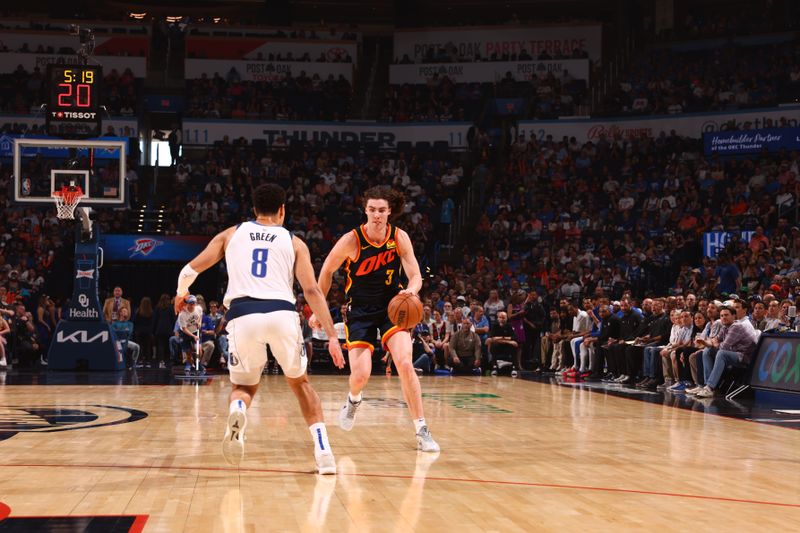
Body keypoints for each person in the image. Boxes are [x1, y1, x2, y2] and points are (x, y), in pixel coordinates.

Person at [174, 183, 344, 474]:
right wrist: (330, 335)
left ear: (253, 210)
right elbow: (313, 291)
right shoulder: (294, 241)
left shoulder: (231, 234)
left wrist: (180, 293)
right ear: (282, 210)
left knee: (243, 386)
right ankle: (323, 451)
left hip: (242, 315)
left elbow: (189, 270)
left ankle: (238, 411)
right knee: (301, 384)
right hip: (282, 314)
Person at [315, 185, 440, 453]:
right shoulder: (352, 240)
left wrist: (412, 290)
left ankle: (421, 429)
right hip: (360, 311)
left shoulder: (399, 237)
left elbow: (415, 274)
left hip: (392, 308)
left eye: (382, 210)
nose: (377, 215)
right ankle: (354, 399)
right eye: (372, 209)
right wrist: (317, 308)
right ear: (365, 210)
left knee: (405, 363)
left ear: (389, 212)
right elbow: (326, 272)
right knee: (360, 375)